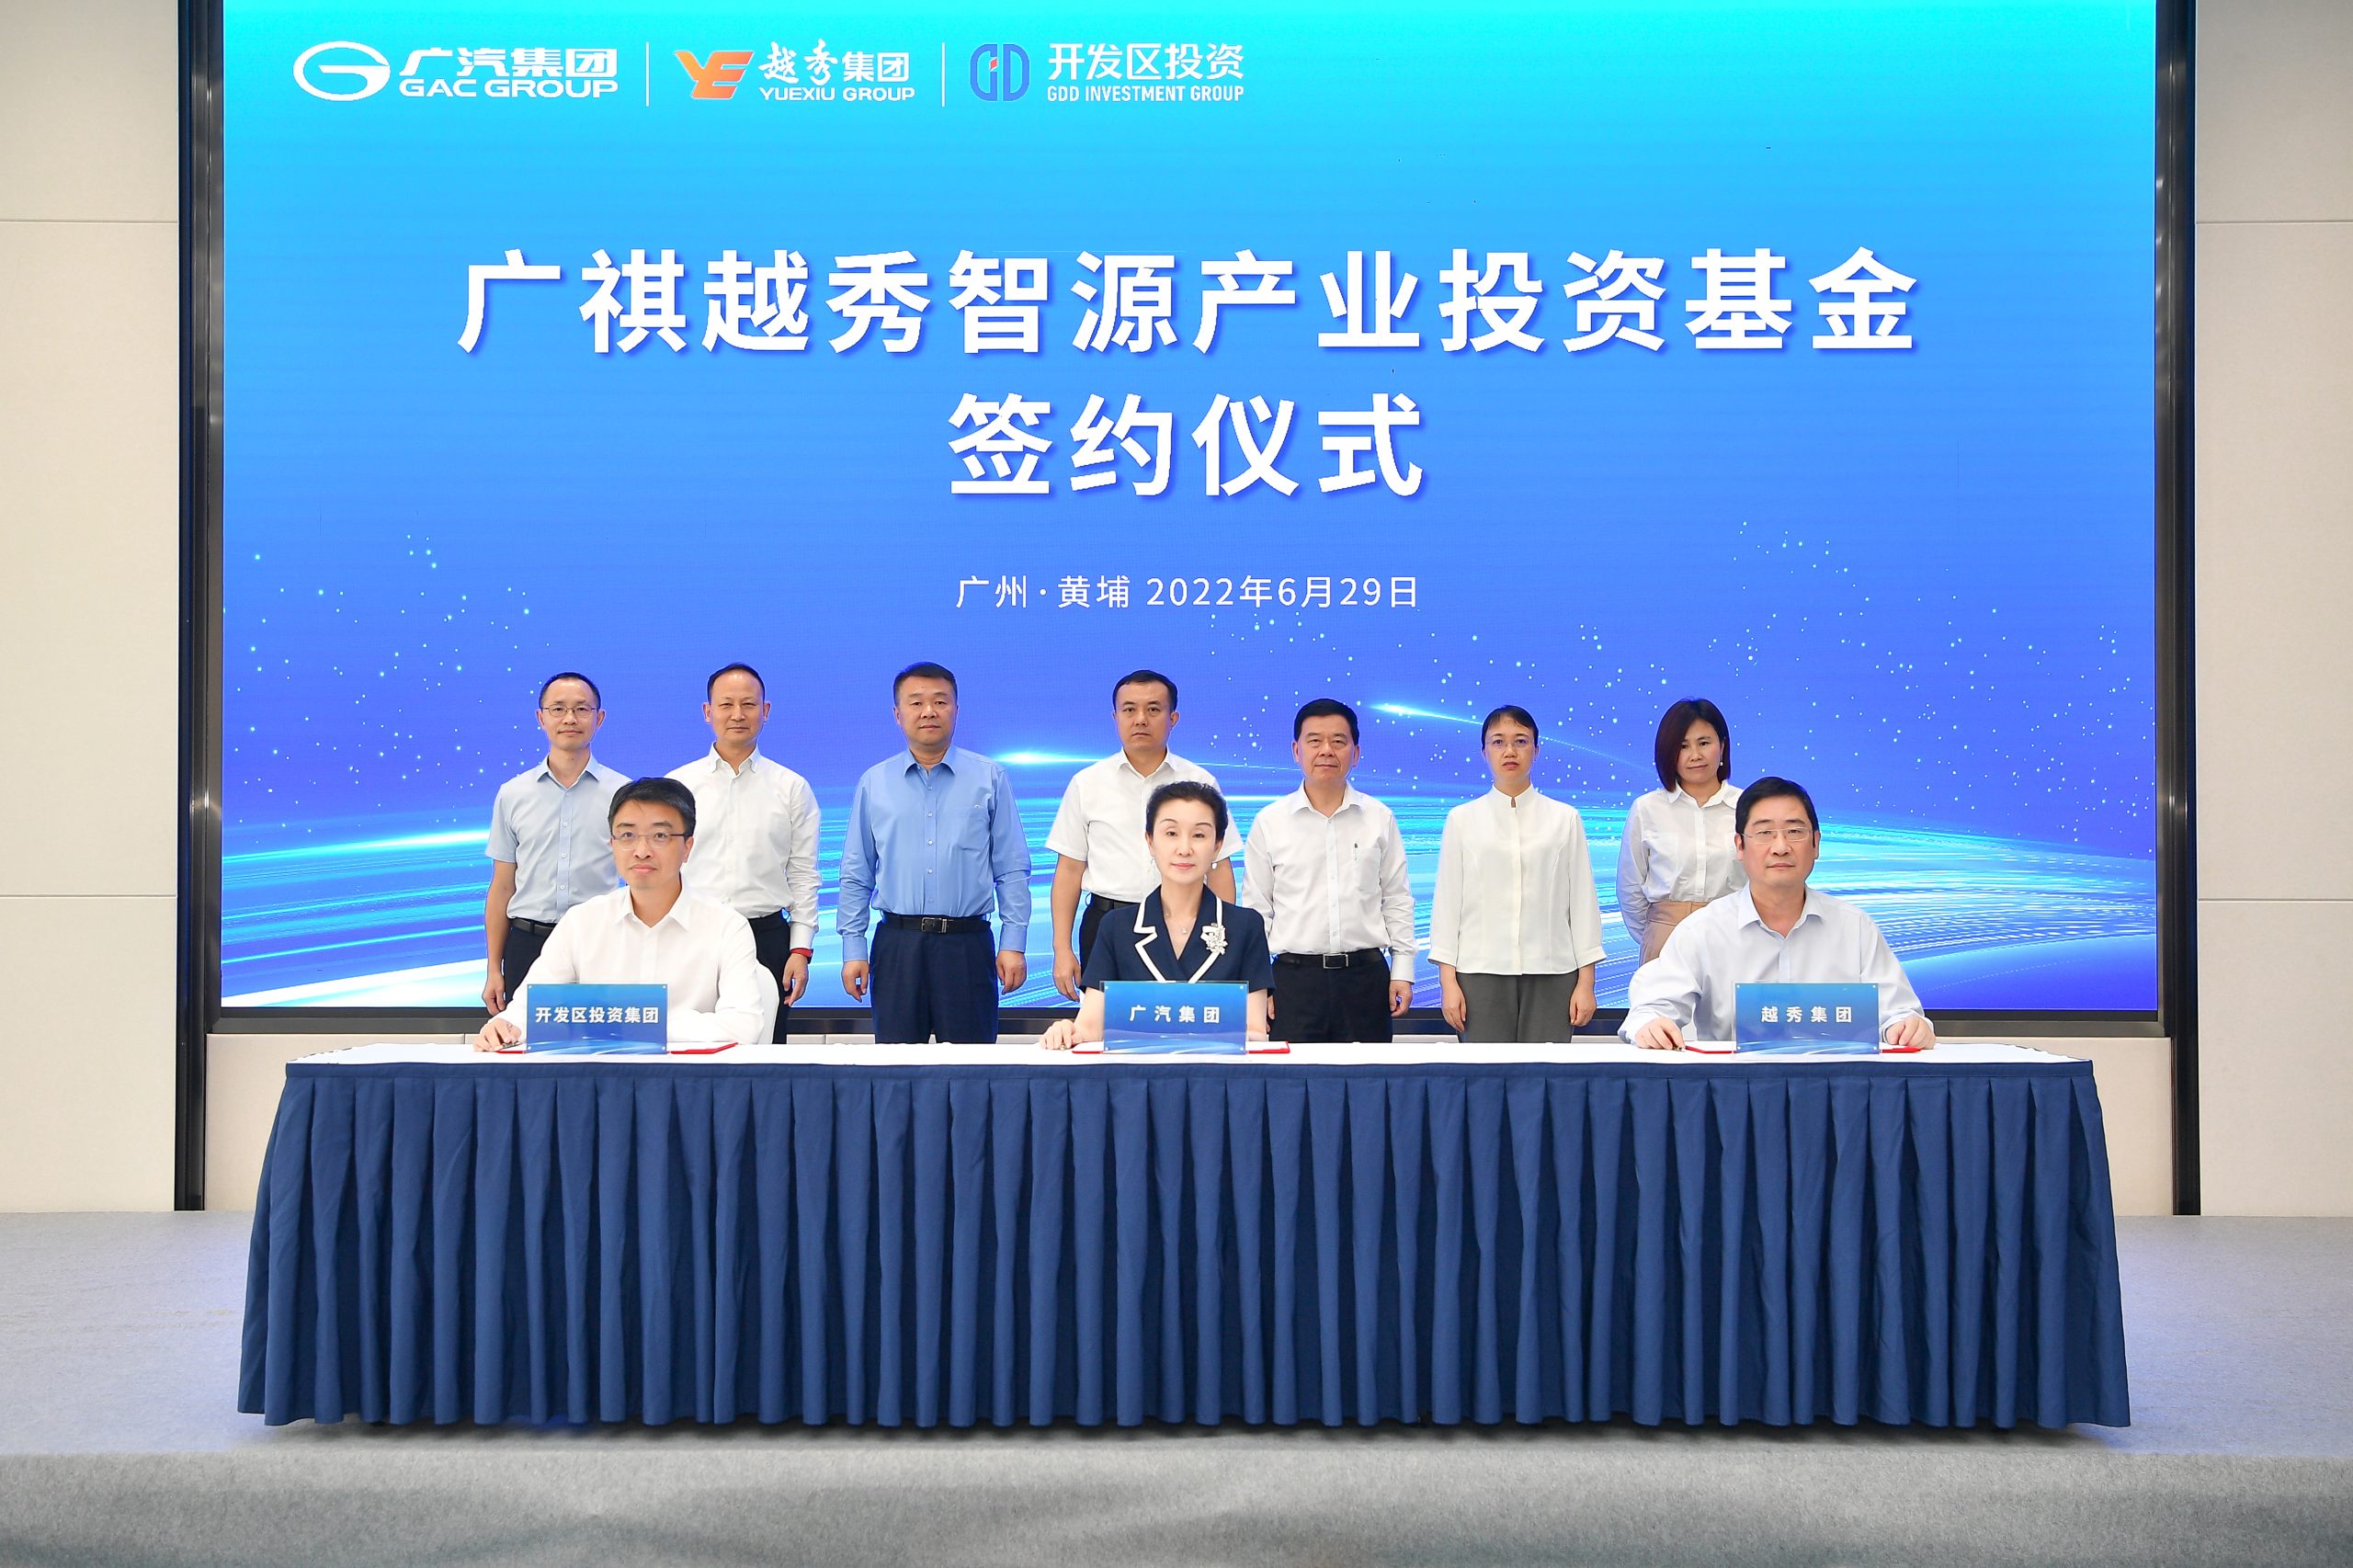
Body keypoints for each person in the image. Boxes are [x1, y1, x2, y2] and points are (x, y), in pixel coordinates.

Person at [1621, 777, 1936, 1051]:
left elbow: (1900, 1013)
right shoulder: (1702, 929)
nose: (1781, 846)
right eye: (1765, 833)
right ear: (1739, 846)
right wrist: (1649, 1025)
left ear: (1816, 844)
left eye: (1795, 831)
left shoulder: (1855, 927)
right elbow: (1650, 1010)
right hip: (1736, 1089)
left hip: (1835, 1088)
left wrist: (1907, 1027)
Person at [474, 777, 775, 1048]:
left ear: (687, 847)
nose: (642, 851)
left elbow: (743, 1026)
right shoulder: (582, 922)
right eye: (628, 835)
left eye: (660, 836)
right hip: (600, 1082)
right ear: (612, 844)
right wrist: (504, 1025)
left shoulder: (726, 926)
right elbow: (529, 1009)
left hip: (690, 1083)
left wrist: (637, 1024)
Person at [838, 662, 1032, 1044]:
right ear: (898, 714)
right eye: (916, 703)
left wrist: (1013, 943)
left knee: (971, 1070)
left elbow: (1010, 869)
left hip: (966, 945)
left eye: (940, 702)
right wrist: (853, 947)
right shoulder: (874, 783)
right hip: (898, 946)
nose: (929, 711)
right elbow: (857, 873)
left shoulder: (989, 777)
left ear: (956, 710)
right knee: (896, 1070)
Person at [1047, 669, 1239, 1001]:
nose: (1140, 719)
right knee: (1107, 1025)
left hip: (1187, 925)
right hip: (1108, 924)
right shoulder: (1087, 783)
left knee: (1185, 1018)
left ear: (1173, 718)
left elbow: (1219, 868)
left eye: (1153, 709)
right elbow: (1069, 871)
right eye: (1129, 709)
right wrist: (1061, 949)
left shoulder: (1200, 782)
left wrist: (1223, 941)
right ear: (1115, 717)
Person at [1040, 781, 1272, 1050]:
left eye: (1199, 835)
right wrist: (1066, 1030)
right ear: (1150, 841)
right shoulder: (1116, 927)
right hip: (1138, 1074)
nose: (1184, 848)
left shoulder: (1245, 926)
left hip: (1216, 1072)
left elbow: (1255, 1031)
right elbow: (1089, 1027)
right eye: (1171, 833)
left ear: (1218, 845)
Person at [1240, 698, 1415, 1042]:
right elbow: (1257, 910)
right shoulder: (1270, 822)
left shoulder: (1379, 818)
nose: (1326, 751)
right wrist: (1259, 984)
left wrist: (1403, 970)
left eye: (1338, 741)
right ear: (1296, 750)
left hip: (1366, 980)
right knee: (1292, 1077)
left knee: (1367, 1077)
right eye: (1314, 740)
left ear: (1356, 752)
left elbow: (1397, 898)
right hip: (1293, 982)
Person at [1428, 705, 1606, 1043]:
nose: (1509, 751)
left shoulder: (1564, 819)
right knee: (1487, 1074)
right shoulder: (1462, 820)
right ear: (1484, 752)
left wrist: (1586, 983)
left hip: (1553, 971)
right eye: (1498, 742)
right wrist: (1448, 982)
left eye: (1521, 741)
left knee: (1546, 1073)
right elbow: (1447, 905)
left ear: (1536, 750)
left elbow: (1583, 904)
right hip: (1479, 972)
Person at [667, 662, 820, 1041]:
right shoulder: (677, 786)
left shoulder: (791, 787)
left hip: (765, 939)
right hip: (690, 936)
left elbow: (803, 875)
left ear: (765, 711)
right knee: (688, 1047)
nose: (738, 714)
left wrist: (800, 949)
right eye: (726, 704)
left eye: (749, 704)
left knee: (764, 1054)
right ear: (708, 712)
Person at [481, 672, 627, 1015]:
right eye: (558, 709)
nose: (570, 719)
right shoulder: (513, 794)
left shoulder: (623, 794)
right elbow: (502, 886)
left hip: (599, 942)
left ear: (599, 718)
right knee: (528, 1043)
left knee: (603, 1040)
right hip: (527, 944)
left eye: (582, 709)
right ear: (541, 717)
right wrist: (493, 968)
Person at [1617, 698, 1744, 962]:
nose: (1695, 755)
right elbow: (1630, 889)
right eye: (1683, 746)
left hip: (1733, 937)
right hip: (1666, 939)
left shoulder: (1747, 807)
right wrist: (1656, 933)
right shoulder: (1647, 808)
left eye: (1704, 743)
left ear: (1722, 746)